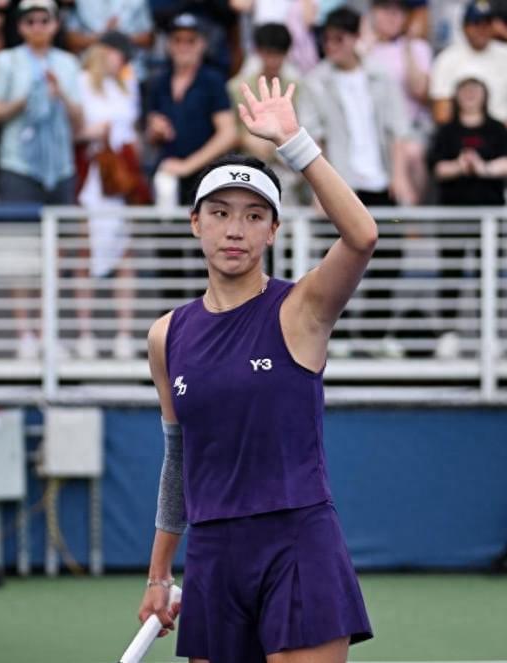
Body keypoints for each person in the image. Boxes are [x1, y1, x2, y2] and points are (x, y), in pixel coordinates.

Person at [137, 76, 374, 663]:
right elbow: (178, 459)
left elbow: (362, 236)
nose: (235, 230)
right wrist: (159, 572)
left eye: (253, 216)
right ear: (196, 223)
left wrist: (295, 144)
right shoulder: (166, 335)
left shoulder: (302, 308)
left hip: (298, 542)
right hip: (213, 555)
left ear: (273, 230)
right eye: (219, 213)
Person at [298, 6, 411, 357]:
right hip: (341, 185)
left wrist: (399, 176)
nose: (331, 46)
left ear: (354, 38)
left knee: (389, 259)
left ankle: (374, 336)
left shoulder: (380, 76)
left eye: (338, 39)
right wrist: (320, 189)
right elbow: (314, 138)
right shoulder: (315, 80)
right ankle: (338, 335)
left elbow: (397, 130)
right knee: (336, 264)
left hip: (380, 183)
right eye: (327, 39)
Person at [0, 0, 84, 359]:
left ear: (55, 24)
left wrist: (61, 96)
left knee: (56, 253)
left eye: (45, 19)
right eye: (31, 20)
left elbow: (79, 121)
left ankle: (47, 331)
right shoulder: (5, 61)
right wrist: (25, 100)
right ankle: (24, 332)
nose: (38, 26)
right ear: (21, 26)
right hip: (19, 165)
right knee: (20, 252)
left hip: (60, 166)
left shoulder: (68, 63)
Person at [428, 73, 507, 359]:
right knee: (450, 274)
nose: (470, 95)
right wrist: (460, 166)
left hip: (489, 214)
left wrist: (482, 168)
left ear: (485, 95)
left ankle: (489, 334)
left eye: (475, 90)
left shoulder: (497, 129)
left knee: (488, 275)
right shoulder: (446, 131)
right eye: (464, 90)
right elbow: (437, 168)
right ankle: (448, 334)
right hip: (453, 213)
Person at [72, 33, 147, 360]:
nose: (123, 60)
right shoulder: (80, 81)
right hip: (91, 173)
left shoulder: (127, 84)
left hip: (120, 175)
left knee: (125, 253)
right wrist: (93, 133)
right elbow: (73, 128)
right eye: (119, 53)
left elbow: (132, 129)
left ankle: (124, 335)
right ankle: (85, 334)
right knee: (84, 251)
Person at [145, 12, 237, 206]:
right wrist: (155, 130)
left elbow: (228, 134)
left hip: (207, 177)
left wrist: (187, 166)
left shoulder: (212, 81)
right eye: (177, 40)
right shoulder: (159, 82)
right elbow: (151, 134)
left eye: (190, 41)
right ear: (169, 44)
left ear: (202, 44)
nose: (183, 46)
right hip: (169, 177)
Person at [367, 0, 433, 206]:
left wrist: (408, 46)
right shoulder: (363, 48)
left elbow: (419, 89)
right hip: (372, 128)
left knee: (412, 153)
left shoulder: (418, 48)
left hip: (411, 127)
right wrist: (367, 45)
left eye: (398, 11)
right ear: (373, 13)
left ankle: (412, 217)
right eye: (385, 10)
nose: (392, 16)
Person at [229, 23, 304, 203]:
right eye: (268, 53)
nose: (273, 61)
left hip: (288, 169)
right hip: (248, 166)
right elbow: (229, 129)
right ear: (258, 52)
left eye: (279, 54)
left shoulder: (298, 87)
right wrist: (244, 138)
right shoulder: (237, 87)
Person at [429, 0, 507, 130]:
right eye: (476, 24)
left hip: (503, 128)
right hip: (462, 130)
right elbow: (441, 113)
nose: (482, 30)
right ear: (464, 27)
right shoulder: (447, 59)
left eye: (487, 24)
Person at [62, 0, 154, 55]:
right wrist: (103, 38)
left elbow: (149, 39)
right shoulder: (80, 3)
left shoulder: (137, 2)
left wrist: (119, 38)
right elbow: (70, 41)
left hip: (131, 68)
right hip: (90, 68)